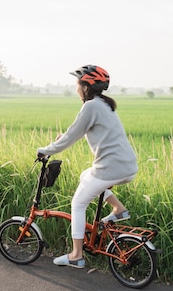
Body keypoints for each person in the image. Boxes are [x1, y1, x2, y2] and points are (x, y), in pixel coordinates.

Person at [36, 65, 138, 269]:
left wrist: (45, 150)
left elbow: (72, 135)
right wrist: (63, 138)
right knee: (86, 175)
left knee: (78, 204)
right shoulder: (104, 104)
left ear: (86, 87)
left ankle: (76, 254)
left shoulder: (90, 107)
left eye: (77, 84)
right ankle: (118, 208)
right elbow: (80, 131)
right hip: (127, 166)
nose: (76, 89)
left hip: (110, 168)